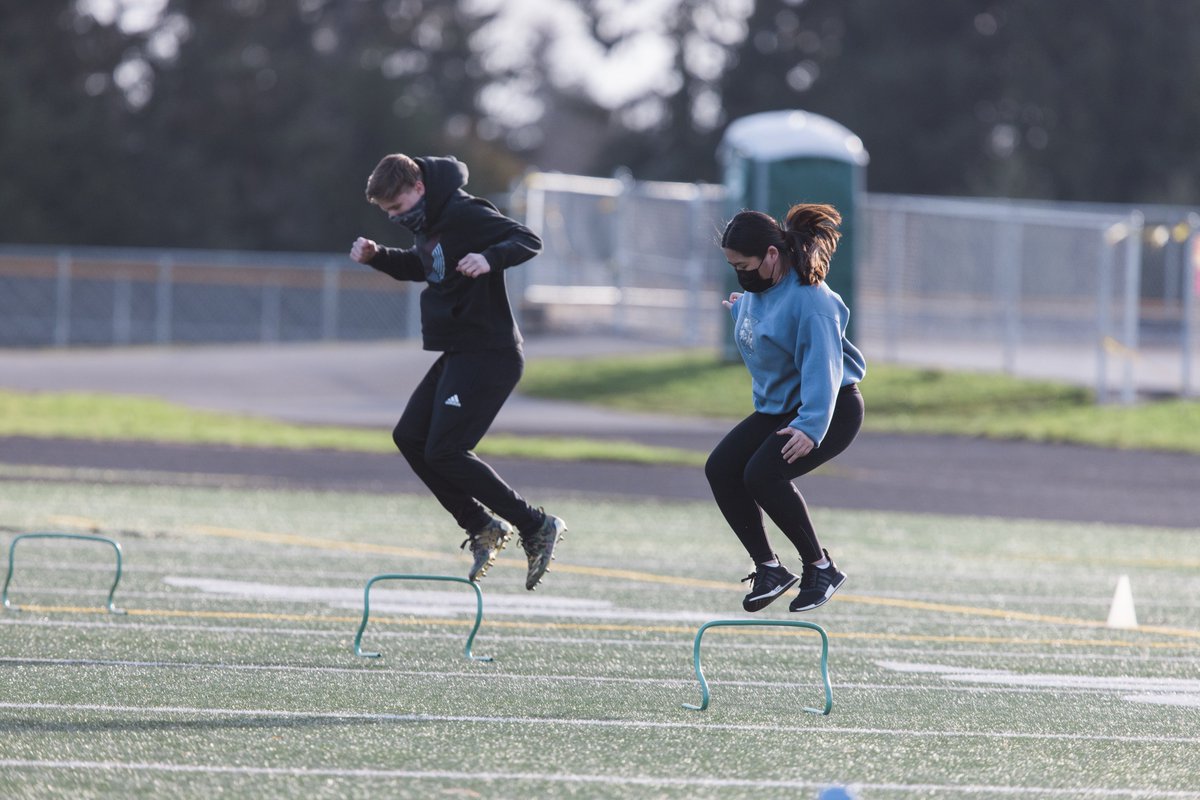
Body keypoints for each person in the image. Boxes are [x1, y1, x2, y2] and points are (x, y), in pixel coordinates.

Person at [349, 153, 566, 590]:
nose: (395, 217)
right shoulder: (427, 224)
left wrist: (490, 259)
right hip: (460, 351)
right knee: (409, 437)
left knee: (446, 450)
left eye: (397, 207)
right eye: (387, 213)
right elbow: (425, 267)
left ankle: (535, 524)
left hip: (491, 353)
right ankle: (481, 525)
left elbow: (527, 239)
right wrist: (379, 256)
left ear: (419, 188)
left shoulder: (464, 211)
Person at [705, 203, 866, 613]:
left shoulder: (814, 301)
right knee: (721, 468)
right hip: (782, 408)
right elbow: (769, 326)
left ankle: (821, 567)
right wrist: (740, 307)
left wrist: (811, 428)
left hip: (830, 408)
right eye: (732, 266)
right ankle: (769, 568)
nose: (739, 273)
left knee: (762, 474)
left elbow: (824, 369)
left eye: (744, 264)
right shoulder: (762, 290)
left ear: (772, 255)